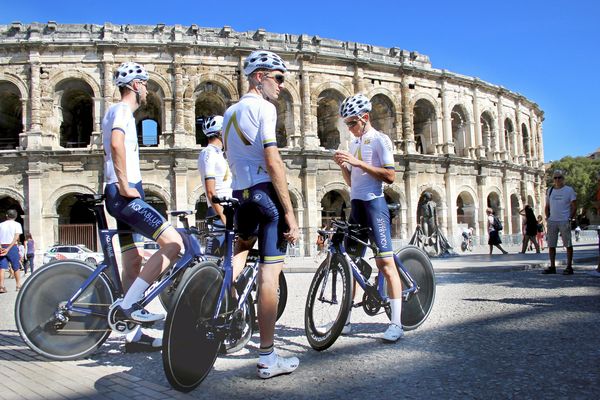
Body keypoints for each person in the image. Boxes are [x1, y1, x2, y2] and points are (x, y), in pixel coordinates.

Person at [223, 50, 299, 379]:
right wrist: (290, 213)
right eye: (278, 78)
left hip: (240, 196)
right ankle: (268, 356)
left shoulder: (228, 114)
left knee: (239, 250)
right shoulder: (264, 108)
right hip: (264, 194)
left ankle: (224, 297)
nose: (282, 85)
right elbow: (273, 161)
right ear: (259, 77)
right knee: (270, 276)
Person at [102, 61, 184, 352]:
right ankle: (130, 304)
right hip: (123, 193)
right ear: (135, 85)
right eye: (145, 84)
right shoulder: (122, 110)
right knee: (174, 244)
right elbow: (116, 144)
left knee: (133, 261)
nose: (147, 90)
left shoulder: (116, 112)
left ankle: (133, 337)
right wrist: (125, 185)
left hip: (117, 192)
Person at [333, 93, 404, 343]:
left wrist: (357, 162)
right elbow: (353, 182)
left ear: (365, 118)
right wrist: (344, 165)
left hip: (375, 205)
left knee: (385, 264)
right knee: (353, 265)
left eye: (352, 123)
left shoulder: (380, 140)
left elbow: (389, 176)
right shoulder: (353, 144)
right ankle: (347, 320)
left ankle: (396, 323)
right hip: (357, 206)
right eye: (346, 124)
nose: (349, 128)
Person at [197, 115, 232, 256]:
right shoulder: (208, 153)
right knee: (213, 257)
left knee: (227, 257)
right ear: (221, 132)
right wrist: (225, 219)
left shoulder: (218, 154)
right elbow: (211, 192)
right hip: (220, 212)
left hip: (228, 210)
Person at [542, 169, 577, 275]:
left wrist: (570, 218)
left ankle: (569, 267)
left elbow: (574, 206)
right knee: (551, 245)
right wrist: (548, 217)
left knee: (568, 244)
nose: (557, 180)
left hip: (564, 220)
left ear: (563, 179)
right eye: (555, 178)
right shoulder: (550, 190)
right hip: (552, 221)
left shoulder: (569, 190)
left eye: (559, 177)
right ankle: (552, 266)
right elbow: (547, 206)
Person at [0, 209, 23, 293]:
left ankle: (1, 286)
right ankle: (18, 285)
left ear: (6, 215)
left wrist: (1, 247)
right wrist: (9, 248)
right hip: (12, 247)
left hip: (2, 247)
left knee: (2, 267)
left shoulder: (1, 225)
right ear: (16, 216)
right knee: (16, 267)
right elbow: (16, 237)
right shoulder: (17, 224)